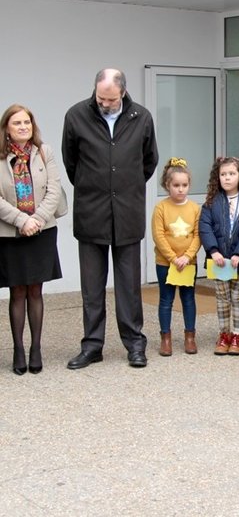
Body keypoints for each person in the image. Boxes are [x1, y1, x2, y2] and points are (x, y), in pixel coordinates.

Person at [62, 68, 159, 369]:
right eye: (100, 98)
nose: (105, 103)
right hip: (91, 213)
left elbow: (149, 161)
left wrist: (125, 187)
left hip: (127, 213)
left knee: (129, 285)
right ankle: (92, 346)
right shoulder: (76, 116)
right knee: (92, 286)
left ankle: (134, 344)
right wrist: (95, 185)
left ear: (123, 93)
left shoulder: (141, 117)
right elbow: (71, 163)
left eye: (111, 99)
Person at [0, 104, 63, 375]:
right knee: (17, 291)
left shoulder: (44, 152)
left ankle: (36, 348)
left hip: (42, 230)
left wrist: (36, 220)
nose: (23, 127)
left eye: (27, 122)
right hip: (10, 233)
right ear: (6, 129)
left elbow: (54, 189)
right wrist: (22, 220)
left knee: (36, 290)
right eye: (17, 123)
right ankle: (18, 349)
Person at [200, 157, 239, 356]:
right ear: (217, 177)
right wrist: (213, 250)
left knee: (238, 297)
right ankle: (224, 334)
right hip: (218, 260)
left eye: (231, 174)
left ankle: (237, 335)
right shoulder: (211, 202)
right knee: (221, 298)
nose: (227, 178)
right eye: (223, 174)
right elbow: (205, 227)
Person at [151, 158, 201, 356]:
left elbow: (198, 235)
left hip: (188, 264)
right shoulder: (161, 208)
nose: (181, 189)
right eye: (176, 185)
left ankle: (190, 337)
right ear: (167, 185)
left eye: (185, 185)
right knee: (166, 299)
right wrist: (173, 258)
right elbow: (158, 235)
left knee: (188, 299)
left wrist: (187, 257)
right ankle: (166, 337)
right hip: (166, 263)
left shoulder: (195, 208)